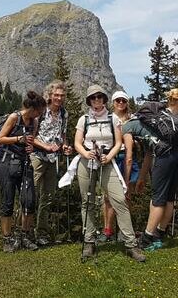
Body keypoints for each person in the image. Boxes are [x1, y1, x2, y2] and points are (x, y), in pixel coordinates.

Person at [75, 85, 145, 262]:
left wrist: (109, 157)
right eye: (93, 98)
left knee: (119, 199)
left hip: (107, 162)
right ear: (89, 100)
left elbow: (118, 142)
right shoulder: (83, 119)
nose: (97, 100)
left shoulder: (113, 118)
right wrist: (86, 153)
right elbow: (77, 143)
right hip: (86, 162)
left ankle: (131, 244)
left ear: (104, 99)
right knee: (87, 201)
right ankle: (89, 242)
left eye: (100, 97)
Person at [138, 89, 178, 251]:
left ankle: (146, 237)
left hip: (165, 157)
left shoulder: (161, 115)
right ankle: (159, 234)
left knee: (158, 197)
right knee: (169, 197)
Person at [0, 91, 46, 252]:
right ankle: (7, 239)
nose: (41, 113)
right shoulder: (14, 118)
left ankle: (25, 235)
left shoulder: (34, 121)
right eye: (40, 110)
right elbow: (1, 138)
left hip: (25, 162)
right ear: (33, 108)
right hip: (8, 162)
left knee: (29, 200)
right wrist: (19, 139)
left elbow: (31, 140)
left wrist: (31, 146)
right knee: (8, 201)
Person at [31, 81, 72, 246]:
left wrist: (66, 146)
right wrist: (46, 146)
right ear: (49, 95)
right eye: (56, 95)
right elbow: (31, 137)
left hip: (53, 159)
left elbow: (62, 135)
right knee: (30, 195)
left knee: (47, 197)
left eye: (62, 95)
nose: (59, 98)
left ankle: (41, 233)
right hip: (37, 156)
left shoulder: (64, 113)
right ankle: (24, 232)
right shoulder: (40, 111)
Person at [99, 90, 136, 242]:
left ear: (127, 103)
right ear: (113, 103)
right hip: (112, 158)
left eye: (123, 101)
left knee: (126, 197)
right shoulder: (107, 118)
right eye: (117, 100)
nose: (120, 103)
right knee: (108, 198)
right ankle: (108, 229)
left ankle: (123, 231)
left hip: (128, 158)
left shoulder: (132, 120)